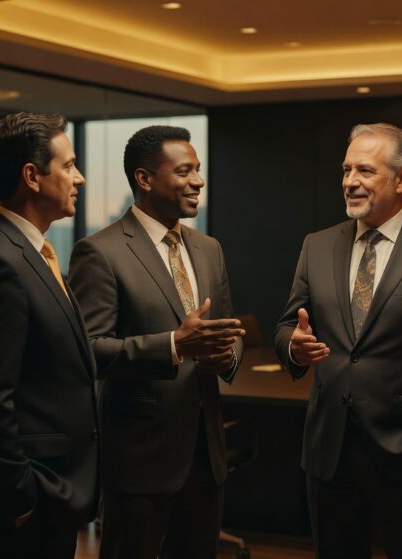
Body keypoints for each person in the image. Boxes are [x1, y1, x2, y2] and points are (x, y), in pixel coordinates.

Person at [273, 123, 402, 558]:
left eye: (365, 170)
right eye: (346, 169)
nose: (350, 181)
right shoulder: (317, 245)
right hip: (329, 448)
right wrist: (294, 345)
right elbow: (288, 324)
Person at [68, 125, 244, 559]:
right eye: (184, 171)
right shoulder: (101, 252)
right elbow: (88, 350)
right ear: (145, 179)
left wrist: (226, 355)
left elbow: (225, 331)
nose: (198, 181)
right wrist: (172, 345)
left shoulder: (209, 249)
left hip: (206, 456)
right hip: (139, 459)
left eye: (198, 171)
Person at [0, 112, 99, 559]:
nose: (80, 178)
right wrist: (22, 501)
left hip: (52, 496)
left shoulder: (33, 251)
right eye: (68, 165)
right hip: (22, 510)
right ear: (32, 176)